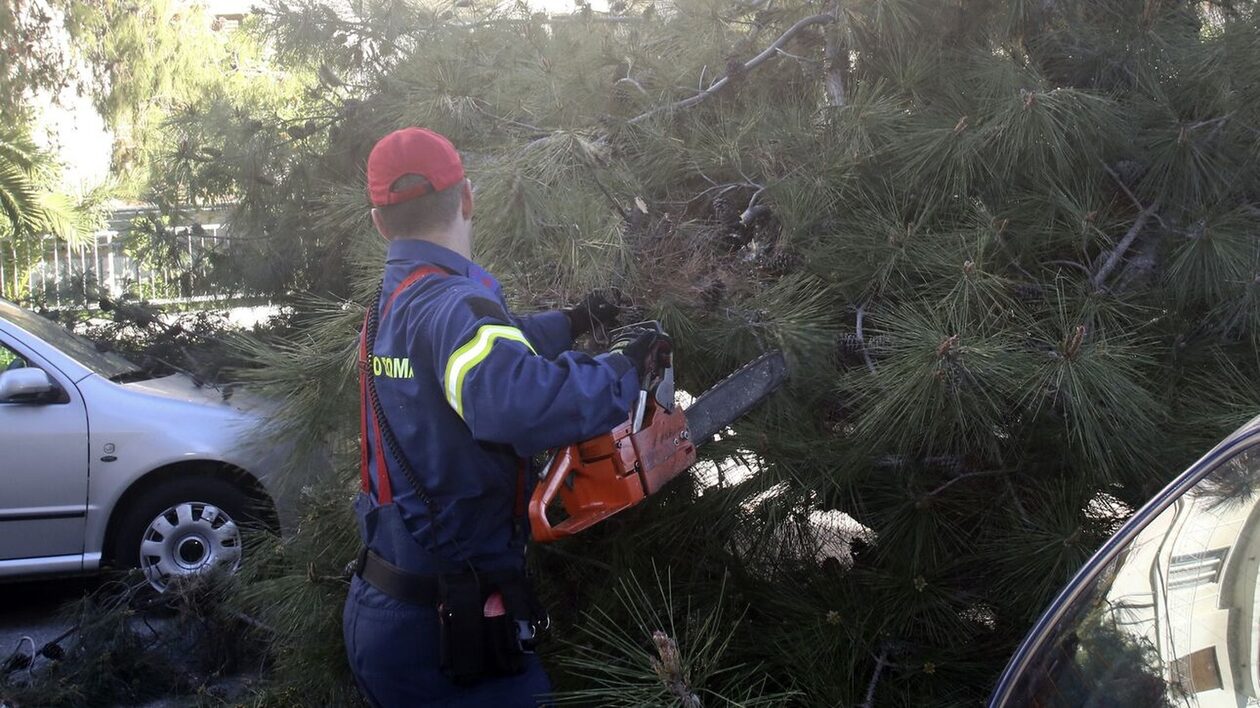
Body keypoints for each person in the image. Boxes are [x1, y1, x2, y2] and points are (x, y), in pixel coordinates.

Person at [343, 126, 667, 707]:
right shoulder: (451, 304)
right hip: (449, 631)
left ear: (378, 223)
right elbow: (517, 403)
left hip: (388, 607)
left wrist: (572, 320)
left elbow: (487, 350)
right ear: (467, 197)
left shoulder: (395, 304)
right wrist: (621, 370)